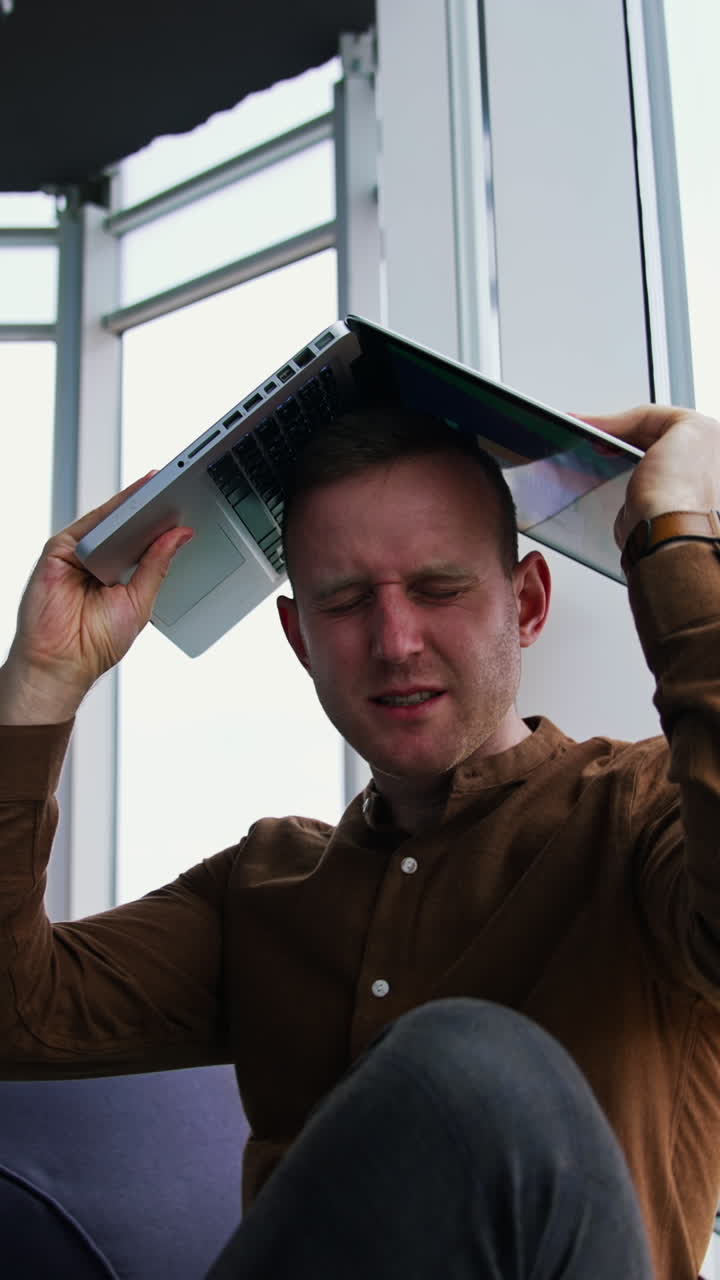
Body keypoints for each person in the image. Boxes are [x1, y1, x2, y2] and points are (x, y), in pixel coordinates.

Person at [1, 399, 719, 1280]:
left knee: (475, 1069)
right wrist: (38, 680)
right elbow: (14, 1008)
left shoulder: (642, 816)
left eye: (438, 588)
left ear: (527, 604)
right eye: (344, 603)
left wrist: (678, 542)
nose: (395, 641)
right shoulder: (262, 889)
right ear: (301, 641)